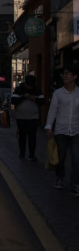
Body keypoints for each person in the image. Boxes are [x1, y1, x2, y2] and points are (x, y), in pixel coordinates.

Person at [46, 66, 79, 195]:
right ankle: (60, 178)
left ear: (75, 76)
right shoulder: (58, 93)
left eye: (67, 74)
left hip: (77, 130)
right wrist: (49, 126)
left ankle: (75, 184)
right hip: (61, 130)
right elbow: (52, 112)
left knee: (77, 159)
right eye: (63, 74)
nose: (64, 76)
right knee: (61, 157)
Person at [12, 75, 45, 161]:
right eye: (29, 85)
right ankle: (22, 153)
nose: (30, 87)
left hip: (33, 117)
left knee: (32, 137)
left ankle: (32, 155)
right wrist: (23, 97)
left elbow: (42, 102)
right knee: (22, 136)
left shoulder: (37, 90)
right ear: (26, 83)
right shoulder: (19, 89)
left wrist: (35, 99)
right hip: (21, 117)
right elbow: (13, 100)